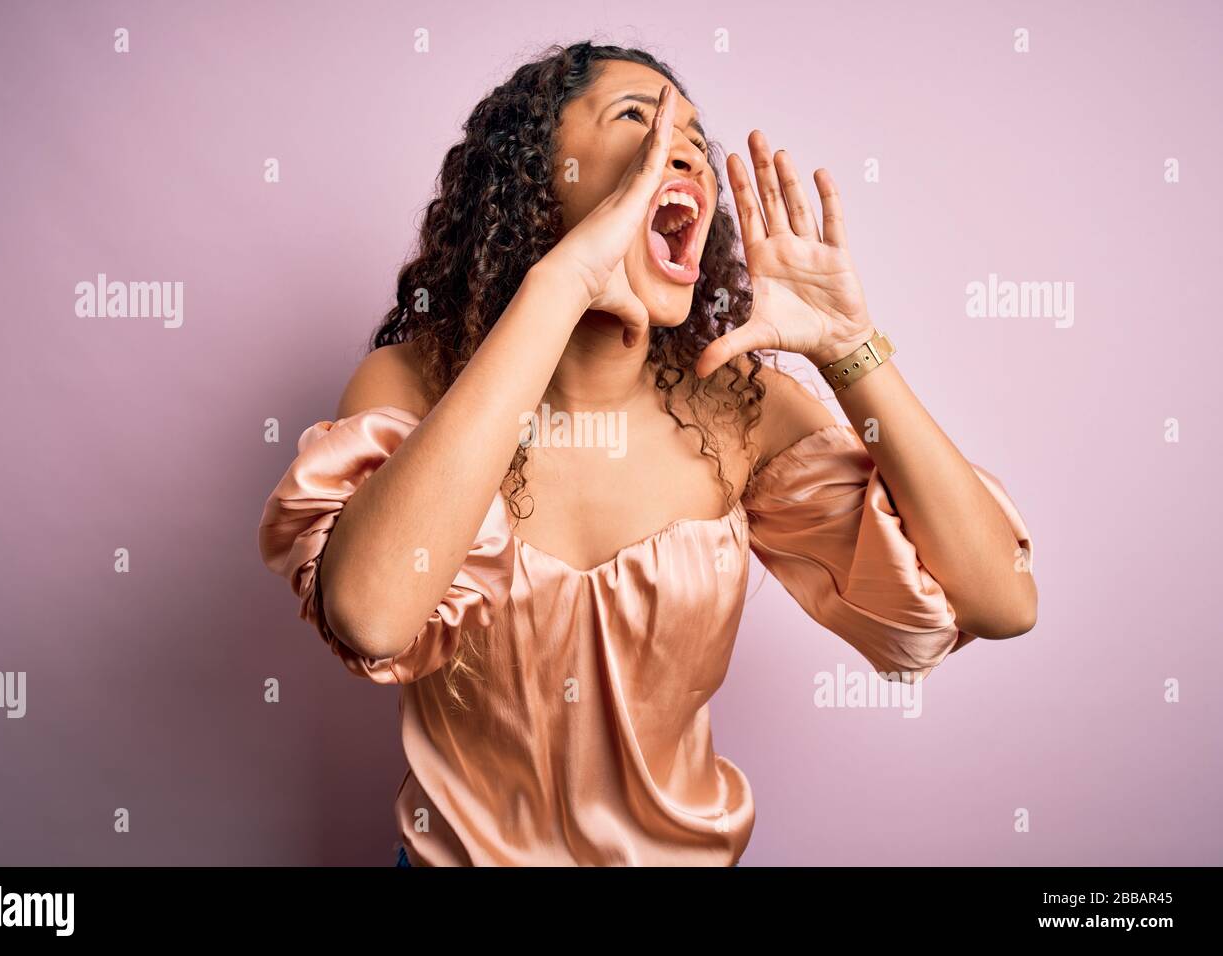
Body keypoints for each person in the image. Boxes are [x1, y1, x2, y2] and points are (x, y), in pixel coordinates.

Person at [258, 41, 1037, 867]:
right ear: (533, 179)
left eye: (698, 141)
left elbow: (1001, 601)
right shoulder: (412, 384)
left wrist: (850, 351)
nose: (684, 148)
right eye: (637, 116)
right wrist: (559, 286)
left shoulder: (737, 406)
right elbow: (371, 618)